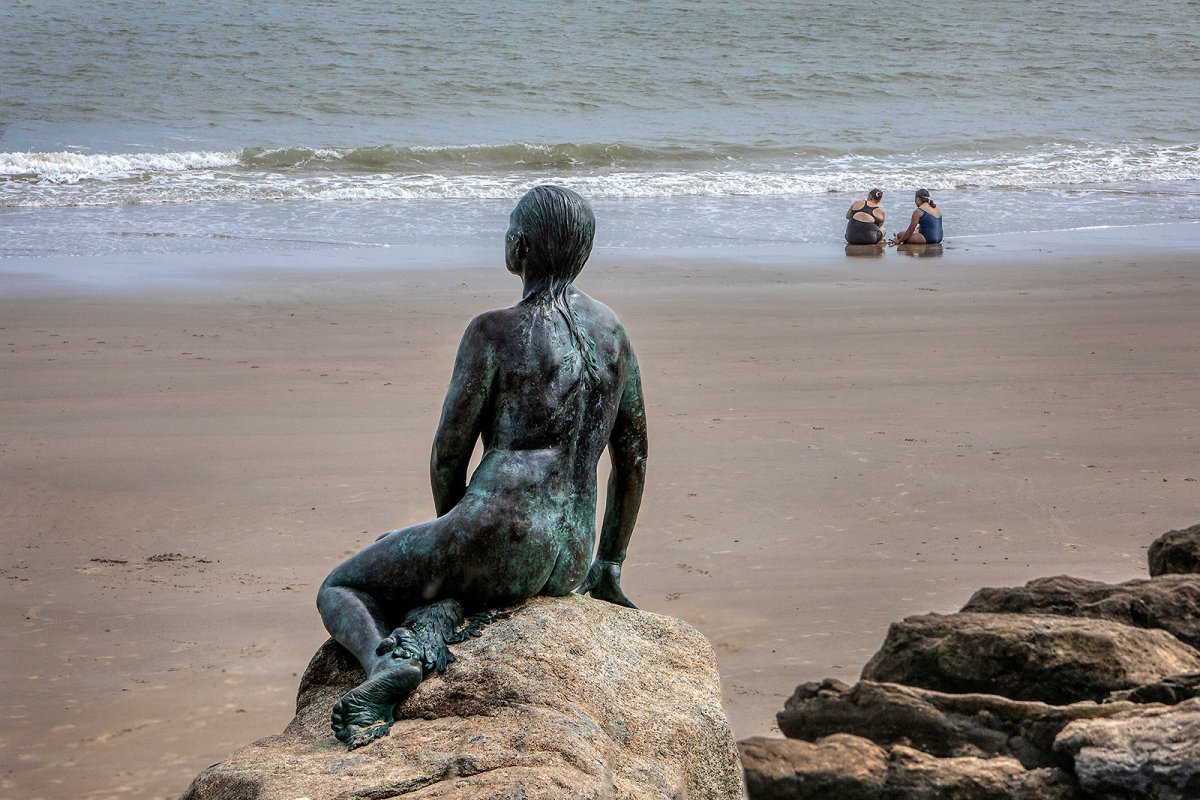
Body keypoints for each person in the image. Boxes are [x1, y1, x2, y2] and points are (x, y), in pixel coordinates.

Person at [316, 185, 648, 749]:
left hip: (497, 532)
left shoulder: (493, 331)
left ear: (518, 248)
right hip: (568, 556)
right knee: (403, 545)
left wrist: (454, 534)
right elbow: (633, 458)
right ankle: (452, 594)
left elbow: (449, 452)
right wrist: (608, 561)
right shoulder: (614, 333)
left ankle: (383, 666)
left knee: (340, 586)